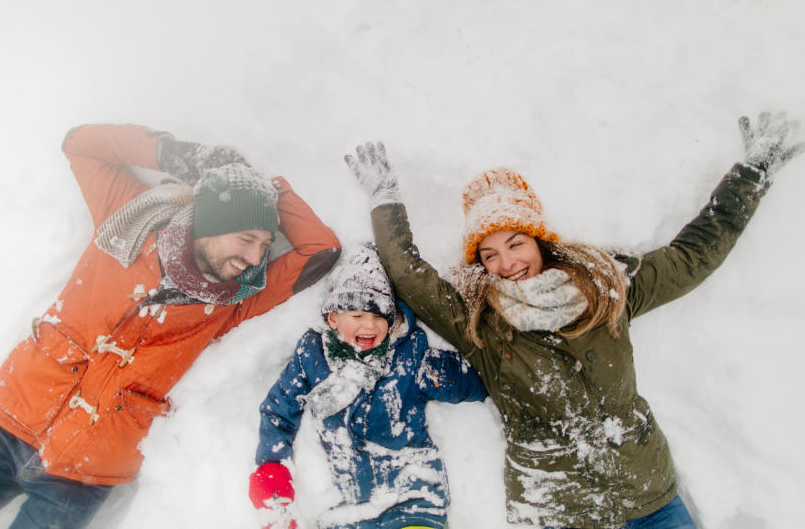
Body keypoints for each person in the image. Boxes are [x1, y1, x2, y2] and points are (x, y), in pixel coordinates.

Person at [344, 112, 804, 528]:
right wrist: (384, 198)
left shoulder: (605, 291)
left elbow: (693, 256)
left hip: (648, 499)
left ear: (539, 241)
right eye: (489, 255)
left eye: (515, 243)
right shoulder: (479, 324)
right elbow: (407, 274)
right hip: (556, 509)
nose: (506, 263)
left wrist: (751, 174)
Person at [0, 124, 341, 528]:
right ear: (211, 221)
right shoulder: (127, 220)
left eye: (264, 245)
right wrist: (174, 154)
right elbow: (80, 145)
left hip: (85, 475)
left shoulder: (237, 299)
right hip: (11, 428)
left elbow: (320, 248)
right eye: (247, 238)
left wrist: (266, 190)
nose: (256, 257)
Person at [248, 243, 487, 529]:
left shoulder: (409, 356)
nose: (370, 326)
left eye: (379, 317)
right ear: (333, 319)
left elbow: (474, 381)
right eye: (357, 316)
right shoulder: (312, 355)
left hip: (413, 497)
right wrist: (272, 466)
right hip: (349, 510)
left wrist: (490, 371)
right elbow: (280, 409)